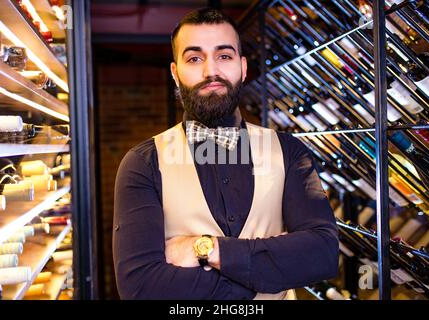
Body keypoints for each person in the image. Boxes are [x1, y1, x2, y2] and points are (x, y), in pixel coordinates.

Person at [113, 7, 339, 300]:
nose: (211, 71)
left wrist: (207, 249)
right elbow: (140, 288)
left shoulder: (289, 151)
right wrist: (267, 271)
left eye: (224, 56)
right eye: (194, 58)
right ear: (175, 72)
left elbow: (321, 254)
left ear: (243, 68)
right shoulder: (142, 163)